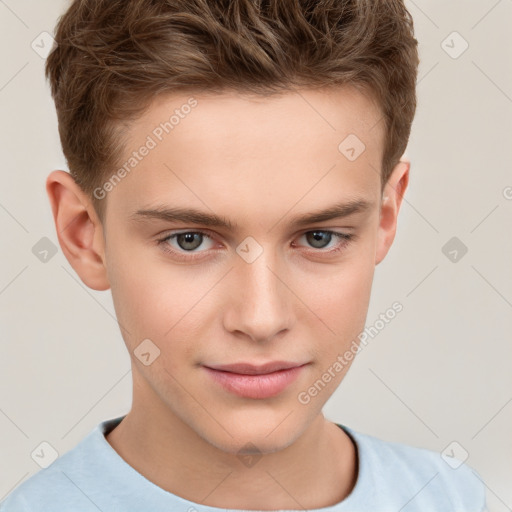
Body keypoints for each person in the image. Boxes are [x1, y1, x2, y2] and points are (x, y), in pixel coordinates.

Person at [0, 0, 488, 510]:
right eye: (189, 240)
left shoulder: (454, 498)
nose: (261, 319)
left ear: (386, 217)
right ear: (84, 234)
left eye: (320, 237)